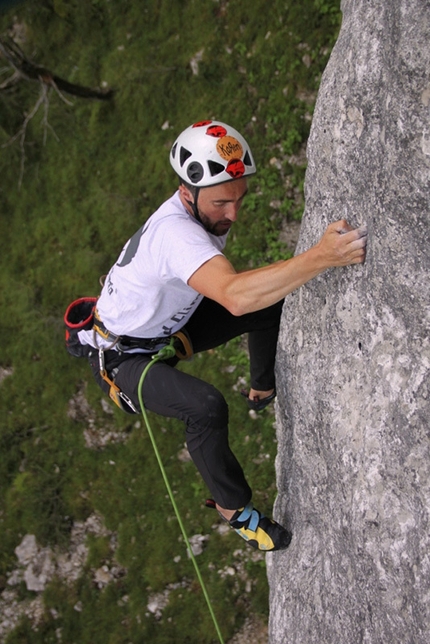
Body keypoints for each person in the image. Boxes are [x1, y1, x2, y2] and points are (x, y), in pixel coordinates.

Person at [74, 120, 367, 552]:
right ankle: (236, 512)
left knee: (268, 303)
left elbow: (246, 297)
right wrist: (323, 257)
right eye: (221, 203)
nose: (233, 215)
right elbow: (233, 296)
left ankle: (262, 387)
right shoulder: (178, 236)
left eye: (239, 199)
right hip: (122, 358)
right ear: (186, 192)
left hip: (163, 328)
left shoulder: (196, 215)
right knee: (205, 407)